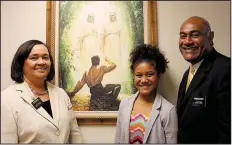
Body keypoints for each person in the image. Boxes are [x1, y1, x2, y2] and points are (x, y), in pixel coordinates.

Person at [1, 40, 83, 143]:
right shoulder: (6, 99)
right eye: (34, 58)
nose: (41, 62)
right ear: (21, 63)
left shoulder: (61, 94)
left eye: (45, 57)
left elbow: (75, 136)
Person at [176, 16, 231, 143]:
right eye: (183, 36)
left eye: (195, 35)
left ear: (210, 37)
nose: (187, 41)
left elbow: (227, 132)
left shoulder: (226, 69)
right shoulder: (188, 74)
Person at [115, 44, 178, 144]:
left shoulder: (168, 111)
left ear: (158, 75)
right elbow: (118, 140)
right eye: (139, 75)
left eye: (150, 74)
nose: (144, 80)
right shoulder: (124, 104)